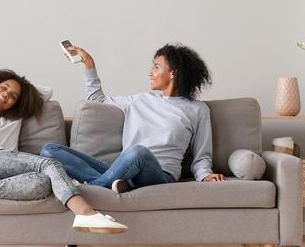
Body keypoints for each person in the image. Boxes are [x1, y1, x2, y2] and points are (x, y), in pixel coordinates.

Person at [0, 69, 128, 234]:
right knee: (48, 164)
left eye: (13, 96)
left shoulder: (13, 119)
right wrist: (16, 160)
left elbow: (46, 91)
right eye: (3, 88)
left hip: (2, 169)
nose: (6, 95)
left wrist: (22, 90)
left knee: (43, 183)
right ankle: (85, 212)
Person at [40, 44, 226, 194]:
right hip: (123, 169)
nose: (150, 72)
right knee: (50, 150)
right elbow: (98, 100)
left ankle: (94, 189)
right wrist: (89, 63)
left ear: (173, 73)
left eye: (156, 67)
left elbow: (202, 154)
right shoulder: (141, 99)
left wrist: (205, 175)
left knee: (138, 152)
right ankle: (115, 184)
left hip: (159, 174)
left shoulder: (197, 109)